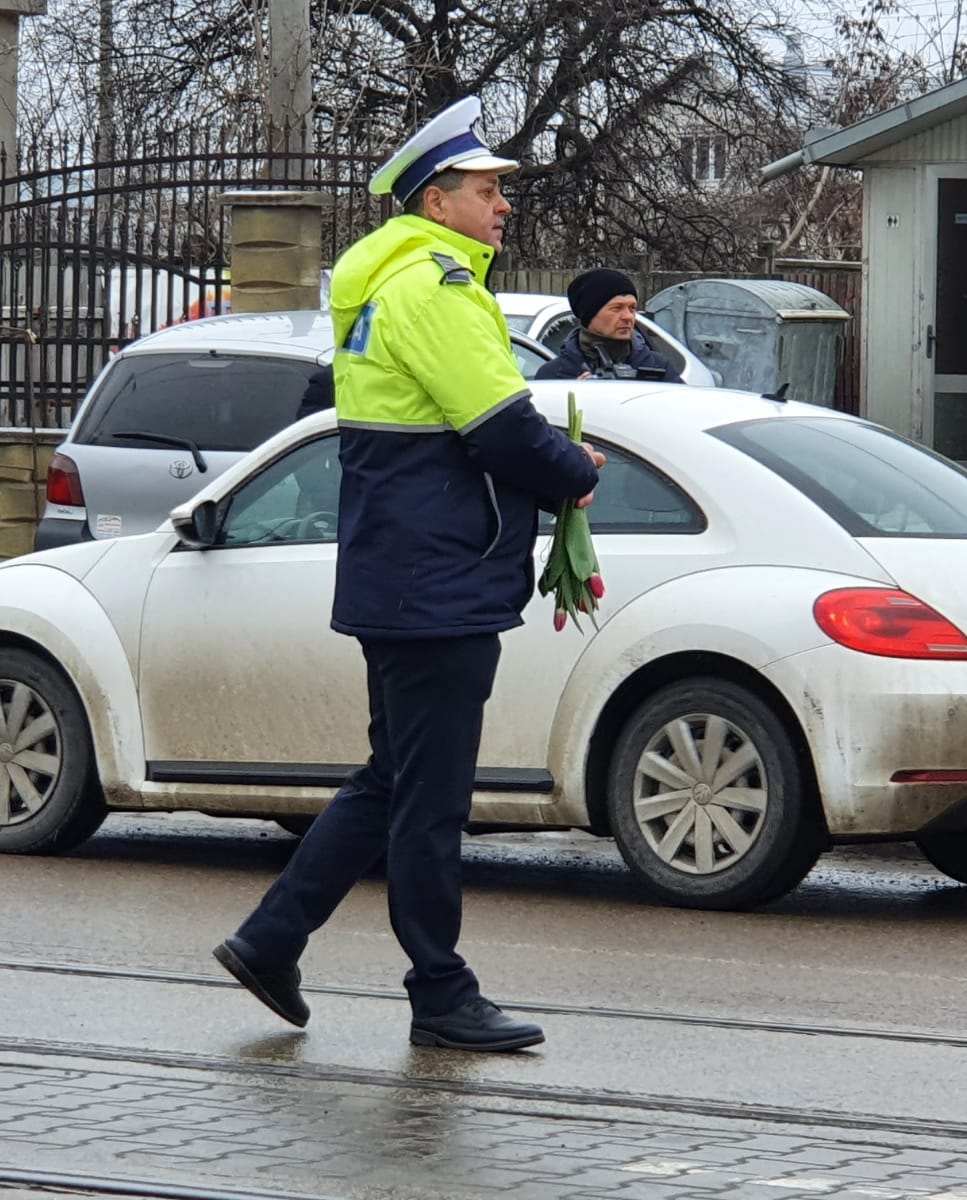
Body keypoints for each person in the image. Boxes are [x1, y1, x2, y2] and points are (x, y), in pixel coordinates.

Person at [212, 96, 605, 1053]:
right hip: (439, 584)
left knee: (392, 780)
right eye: (486, 189)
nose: (502, 204)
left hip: (404, 574)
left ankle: (270, 940)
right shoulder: (435, 291)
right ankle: (440, 991)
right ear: (436, 201)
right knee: (430, 802)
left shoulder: (392, 284)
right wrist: (573, 471)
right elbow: (500, 429)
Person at [535, 268, 684, 383]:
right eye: (617, 308)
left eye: (632, 308)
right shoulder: (553, 376)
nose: (628, 316)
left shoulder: (659, 369)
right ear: (590, 314)